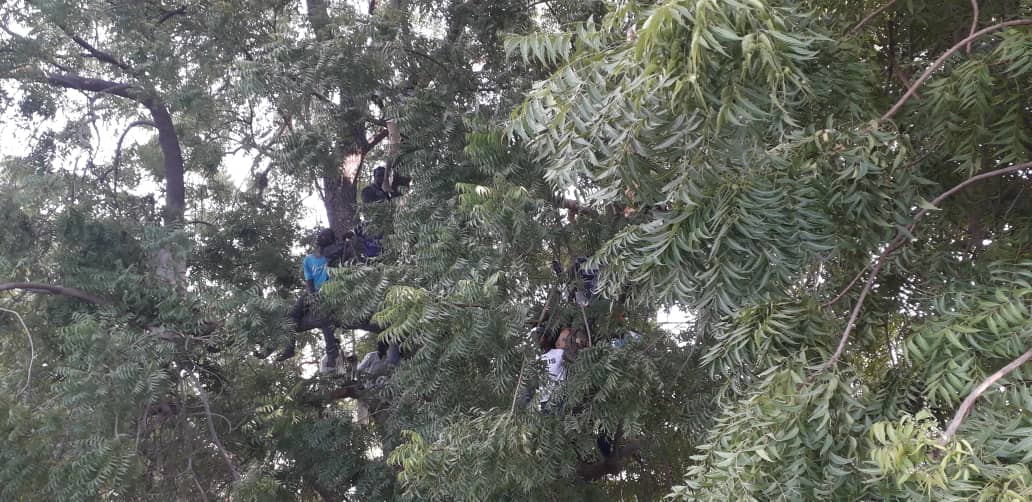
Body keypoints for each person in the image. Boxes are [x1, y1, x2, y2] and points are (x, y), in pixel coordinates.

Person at [276, 228, 349, 375]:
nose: (319, 237)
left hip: (331, 292)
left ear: (330, 239)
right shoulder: (309, 259)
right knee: (291, 316)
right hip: (314, 293)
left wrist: (345, 239)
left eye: (324, 236)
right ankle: (290, 348)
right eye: (319, 235)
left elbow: (342, 251)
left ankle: (332, 355)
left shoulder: (334, 252)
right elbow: (309, 281)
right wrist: (312, 295)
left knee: (324, 319)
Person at [538, 327, 576, 414]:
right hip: (544, 400)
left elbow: (573, 353)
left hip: (559, 398)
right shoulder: (535, 358)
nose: (539, 340)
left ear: (547, 338)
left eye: (541, 336)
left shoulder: (559, 353)